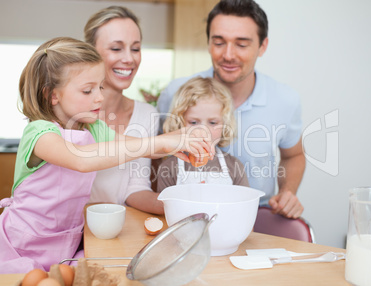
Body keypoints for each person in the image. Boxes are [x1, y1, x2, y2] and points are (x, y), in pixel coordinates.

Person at [0, 37, 212, 273]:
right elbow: (80, 159)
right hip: (23, 243)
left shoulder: (93, 128)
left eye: (100, 87)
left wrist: (177, 140)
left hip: (66, 242)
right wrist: (161, 141)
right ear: (52, 95)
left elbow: (138, 146)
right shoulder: (39, 132)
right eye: (88, 90)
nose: (99, 97)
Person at [157, 0, 305, 218]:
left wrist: (287, 192)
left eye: (241, 44)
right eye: (218, 42)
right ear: (208, 42)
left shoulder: (285, 100)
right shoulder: (176, 93)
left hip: (256, 215)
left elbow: (294, 155)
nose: (228, 54)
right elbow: (157, 152)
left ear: (262, 46)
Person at [84, 6, 162, 214]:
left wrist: (178, 204)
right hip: (64, 232)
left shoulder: (146, 115)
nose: (129, 59)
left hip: (113, 231)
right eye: (116, 48)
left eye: (135, 49)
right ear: (91, 52)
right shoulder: (68, 112)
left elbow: (135, 189)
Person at [157, 77, 248, 191]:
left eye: (213, 122)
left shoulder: (234, 166)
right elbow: (165, 207)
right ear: (180, 123)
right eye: (194, 122)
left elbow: (243, 204)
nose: (203, 131)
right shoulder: (168, 168)